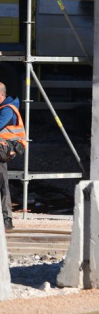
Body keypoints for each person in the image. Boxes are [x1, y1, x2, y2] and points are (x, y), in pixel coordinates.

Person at [0, 83, 26, 232]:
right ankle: (6, 219)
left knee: (3, 184)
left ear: (1, 96)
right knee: (3, 183)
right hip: (4, 150)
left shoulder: (7, 110)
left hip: (6, 149)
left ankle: (6, 219)